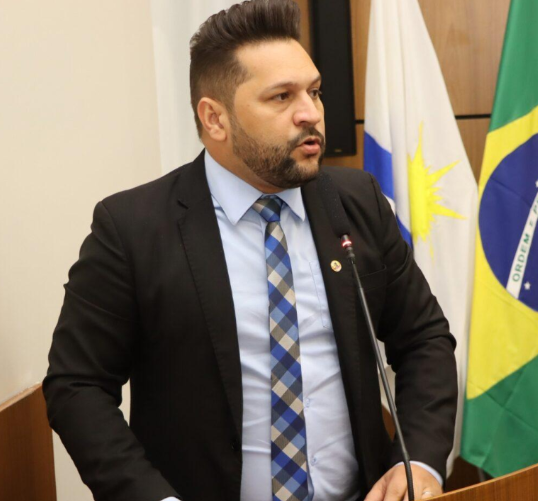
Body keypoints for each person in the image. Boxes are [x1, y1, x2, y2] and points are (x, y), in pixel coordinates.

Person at [43, 1, 457, 500]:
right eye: (281, 97)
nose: (311, 113)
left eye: (314, 91)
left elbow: (424, 339)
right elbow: (78, 385)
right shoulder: (132, 228)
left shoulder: (357, 202)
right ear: (214, 118)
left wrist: (420, 461)